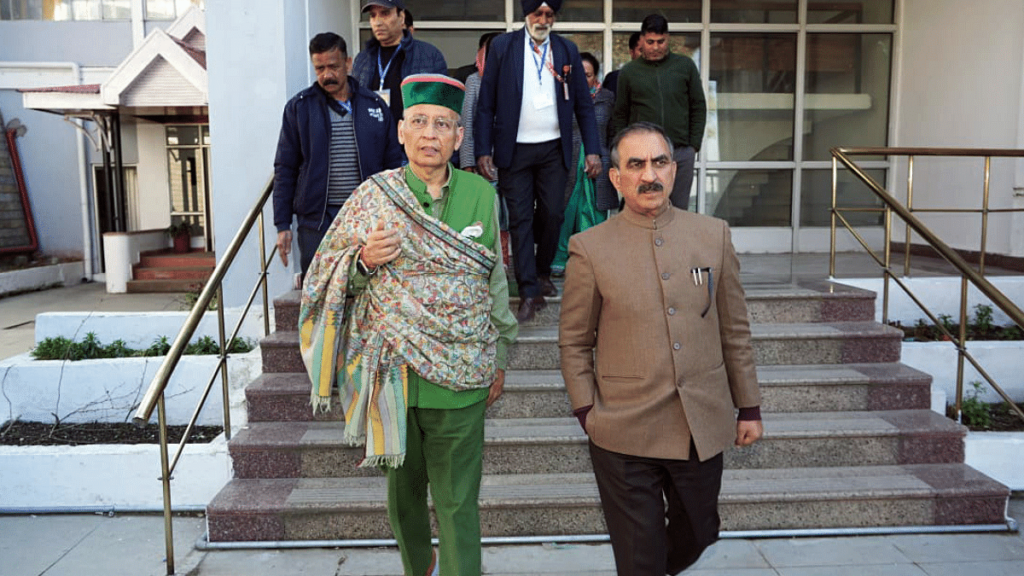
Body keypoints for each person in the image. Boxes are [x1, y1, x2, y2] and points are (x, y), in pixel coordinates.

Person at [299, 74, 517, 576]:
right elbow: (322, 279)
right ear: (400, 131)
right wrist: (363, 262)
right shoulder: (373, 196)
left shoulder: (482, 195)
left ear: (459, 138)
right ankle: (418, 569)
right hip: (391, 378)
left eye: (442, 124)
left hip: (462, 377)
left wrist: (499, 356)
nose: (429, 134)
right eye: (419, 122)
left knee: (460, 502)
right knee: (403, 501)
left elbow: (495, 284)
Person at [558, 122, 763, 576]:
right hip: (621, 427)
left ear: (674, 170)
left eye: (659, 162)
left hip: (699, 421)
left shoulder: (713, 235)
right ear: (616, 178)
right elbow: (574, 341)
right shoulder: (589, 248)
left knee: (700, 530)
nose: (649, 174)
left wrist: (748, 406)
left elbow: (735, 329)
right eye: (635, 165)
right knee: (639, 556)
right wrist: (586, 410)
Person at [475, 0, 602, 322]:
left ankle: (543, 272)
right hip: (513, 150)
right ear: (526, 15)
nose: (543, 20)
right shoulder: (503, 47)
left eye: (549, 15)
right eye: (537, 14)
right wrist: (482, 149)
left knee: (553, 214)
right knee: (519, 219)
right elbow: (485, 102)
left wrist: (593, 149)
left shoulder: (566, 50)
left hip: (552, 149)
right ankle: (529, 290)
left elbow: (583, 107)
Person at [273, 32, 403, 277]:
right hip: (316, 220)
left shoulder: (374, 105)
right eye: (319, 68)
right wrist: (282, 224)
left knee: (366, 284)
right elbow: (285, 167)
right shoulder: (299, 108)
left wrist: (392, 213)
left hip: (366, 215)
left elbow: (393, 164)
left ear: (348, 63)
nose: (327, 75)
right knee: (318, 285)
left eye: (333, 66)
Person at [611, 14, 707, 211]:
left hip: (679, 153)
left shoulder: (685, 66)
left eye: (661, 41)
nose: (656, 47)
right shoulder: (629, 72)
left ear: (668, 39)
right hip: (642, 155)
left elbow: (698, 106)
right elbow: (621, 113)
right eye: (650, 42)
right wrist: (621, 150)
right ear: (642, 40)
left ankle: (675, 244)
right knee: (642, 208)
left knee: (678, 211)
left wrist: (693, 146)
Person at [550, 51, 614, 276]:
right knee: (566, 212)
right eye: (579, 74)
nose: (583, 79)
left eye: (587, 75)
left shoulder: (607, 98)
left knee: (595, 211)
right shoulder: (564, 97)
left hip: (601, 164)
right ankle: (561, 256)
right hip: (569, 162)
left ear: (595, 76)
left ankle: (594, 259)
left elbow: (613, 132)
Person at [352, 0, 447, 123]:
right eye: (373, 15)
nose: (377, 22)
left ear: (401, 18)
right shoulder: (362, 59)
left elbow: (441, 108)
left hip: (412, 138)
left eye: (385, 14)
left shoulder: (429, 55)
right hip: (373, 138)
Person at [601, 31, 641, 95]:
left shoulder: (660, 79)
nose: (645, 54)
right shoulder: (615, 79)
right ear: (632, 52)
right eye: (641, 50)